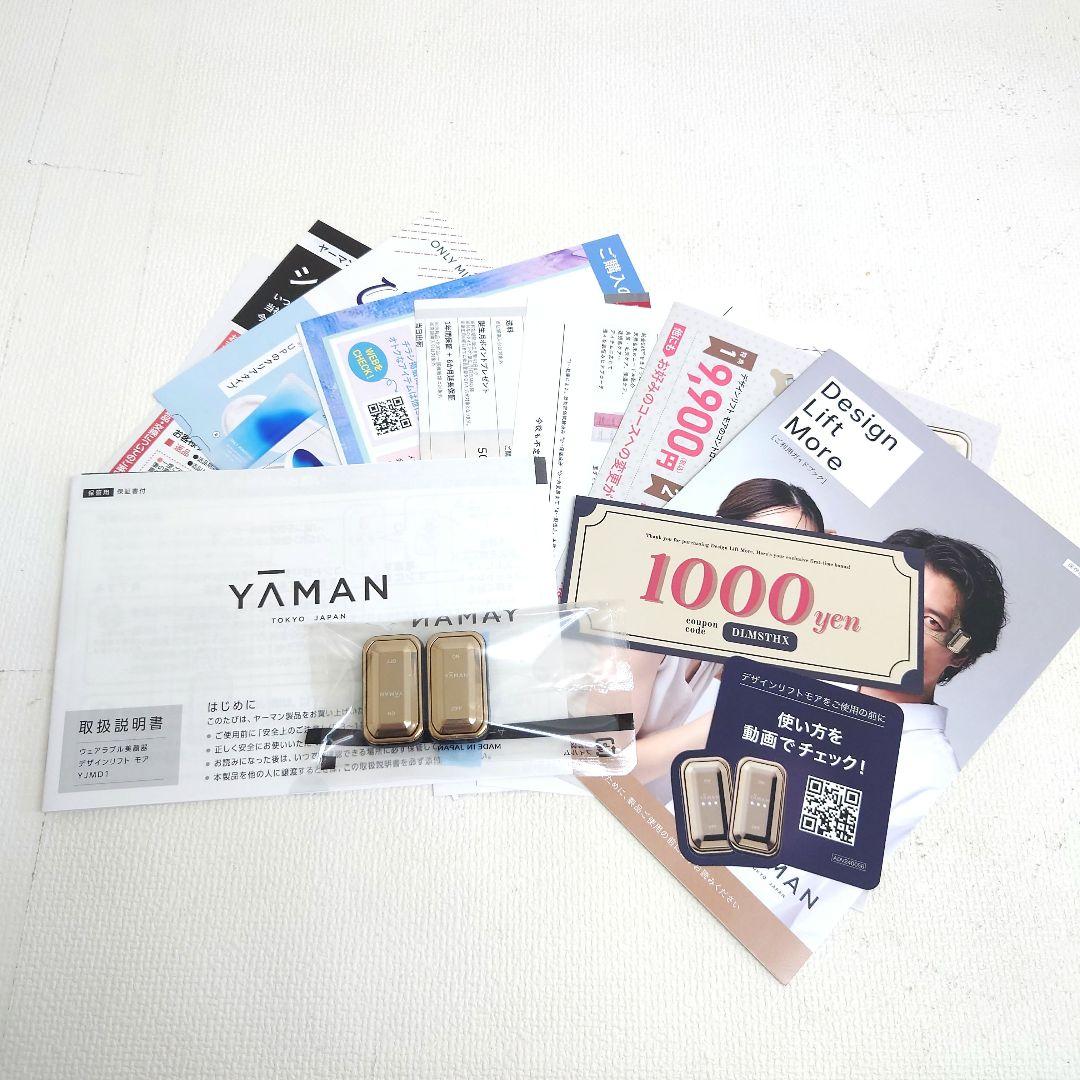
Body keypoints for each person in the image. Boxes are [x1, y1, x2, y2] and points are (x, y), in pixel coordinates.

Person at [765, 528, 1009, 942]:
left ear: (960, 653)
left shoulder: (931, 783)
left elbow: (825, 928)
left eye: (930, 621)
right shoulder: (805, 679)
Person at [630, 479, 826, 806]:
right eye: (762, 547)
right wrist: (723, 720)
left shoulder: (724, 637)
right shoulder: (649, 621)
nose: (778, 574)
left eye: (799, 559)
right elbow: (599, 766)